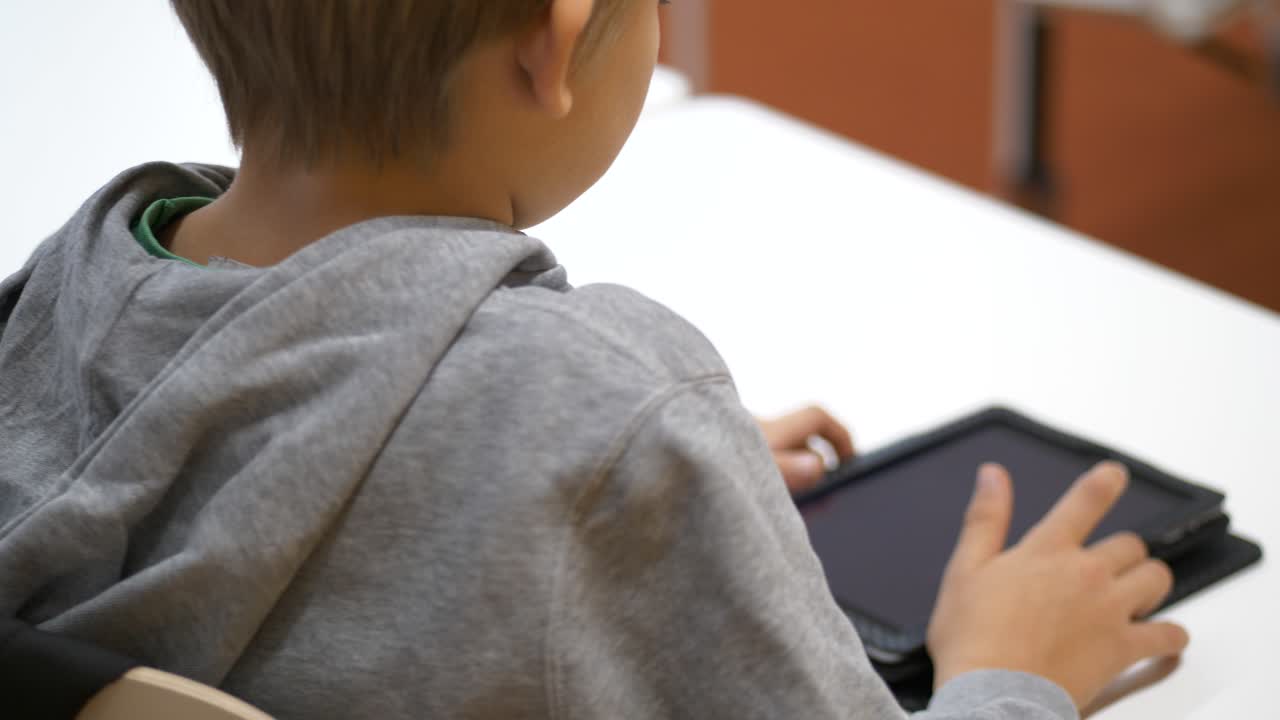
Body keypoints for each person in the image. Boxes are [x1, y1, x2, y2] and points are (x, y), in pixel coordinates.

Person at [0, 1, 1188, 718]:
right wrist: (1009, 670)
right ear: (557, 41)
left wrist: (630, 488)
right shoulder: (610, 419)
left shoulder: (67, 285)